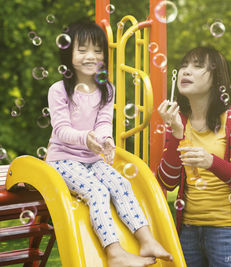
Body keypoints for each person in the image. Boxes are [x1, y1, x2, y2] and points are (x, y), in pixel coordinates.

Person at [45, 21, 172, 267]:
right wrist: (85, 138)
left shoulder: (107, 90)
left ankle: (146, 239)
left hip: (91, 159)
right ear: (68, 54)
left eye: (97, 50)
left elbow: (104, 122)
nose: (91, 56)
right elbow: (61, 130)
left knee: (121, 183)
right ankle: (115, 252)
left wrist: (106, 140)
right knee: (98, 192)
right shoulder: (59, 90)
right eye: (82, 50)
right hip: (63, 160)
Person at [157, 47, 231, 266]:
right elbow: (167, 181)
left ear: (216, 78)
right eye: (184, 65)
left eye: (197, 66)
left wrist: (211, 162)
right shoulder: (179, 121)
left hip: (230, 233)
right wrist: (176, 133)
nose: (186, 71)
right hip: (188, 233)